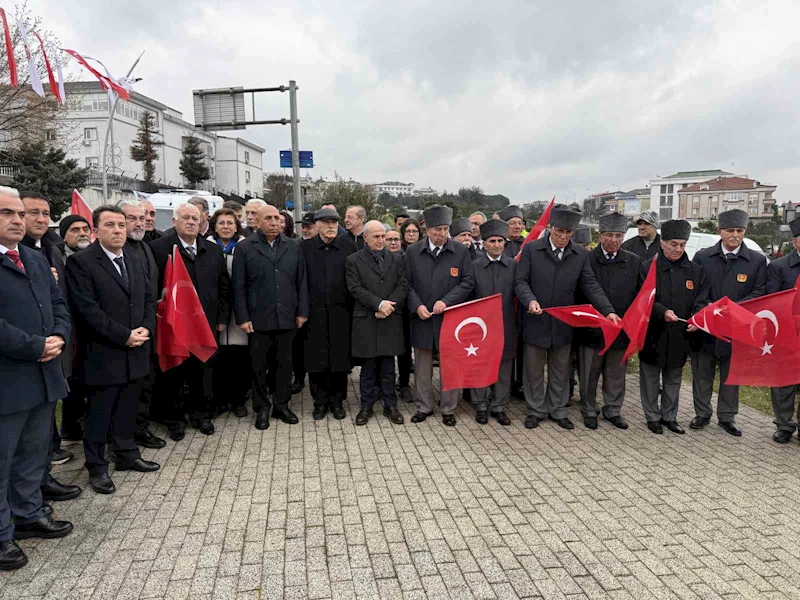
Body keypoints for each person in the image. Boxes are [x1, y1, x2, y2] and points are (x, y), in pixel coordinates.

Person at [0, 187, 74, 571]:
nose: (16, 220)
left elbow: (58, 302)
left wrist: (59, 336)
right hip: (9, 381)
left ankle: (28, 514)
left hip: (44, 376)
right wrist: (35, 346)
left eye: (18, 213)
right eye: (6, 213)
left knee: (33, 453)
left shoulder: (33, 257)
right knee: (3, 460)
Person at [66, 205, 160, 495]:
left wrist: (146, 328)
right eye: (110, 225)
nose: (118, 230)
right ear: (96, 231)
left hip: (135, 351)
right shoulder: (82, 263)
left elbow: (147, 298)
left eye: (121, 224)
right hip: (103, 354)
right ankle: (96, 467)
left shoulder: (133, 257)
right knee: (99, 414)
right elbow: (87, 310)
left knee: (128, 407)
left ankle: (127, 454)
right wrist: (124, 336)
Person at [514, 205, 619, 430]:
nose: (563, 237)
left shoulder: (580, 254)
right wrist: (530, 300)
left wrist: (608, 310)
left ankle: (558, 409)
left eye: (568, 233)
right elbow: (520, 281)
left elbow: (590, 284)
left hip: (563, 323)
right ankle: (536, 409)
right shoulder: (532, 249)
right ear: (551, 228)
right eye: (559, 231)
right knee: (533, 370)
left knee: (560, 370)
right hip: (536, 320)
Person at [150, 203, 231, 440]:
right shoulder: (158, 249)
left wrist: (222, 319)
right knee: (173, 373)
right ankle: (174, 420)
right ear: (174, 222)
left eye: (195, 218)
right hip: (173, 326)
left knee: (202, 372)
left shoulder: (212, 250)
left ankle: (200, 415)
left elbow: (224, 287)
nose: (191, 222)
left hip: (205, 325)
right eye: (185, 217)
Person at [232, 204, 309, 429]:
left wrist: (302, 311)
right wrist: (243, 317)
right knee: (258, 366)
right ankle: (262, 407)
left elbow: (301, 281)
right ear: (258, 220)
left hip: (287, 317)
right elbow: (239, 286)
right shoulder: (245, 247)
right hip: (258, 320)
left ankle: (282, 405)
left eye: (277, 218)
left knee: (284, 365)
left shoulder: (293, 247)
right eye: (269, 218)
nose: (274, 222)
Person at [691, 209, 766, 436]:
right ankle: (702, 413)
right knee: (702, 372)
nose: (735, 235)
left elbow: (760, 291)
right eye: (730, 230)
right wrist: (710, 310)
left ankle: (727, 416)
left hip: (736, 328)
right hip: (707, 326)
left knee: (731, 375)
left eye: (739, 231)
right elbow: (695, 287)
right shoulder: (703, 256)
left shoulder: (757, 260)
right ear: (719, 231)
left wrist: (732, 309)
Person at [405, 205, 475, 426]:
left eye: (445, 229)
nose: (441, 234)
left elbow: (467, 282)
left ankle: (448, 408)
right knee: (423, 366)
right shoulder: (413, 252)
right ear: (427, 230)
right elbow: (405, 284)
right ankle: (424, 406)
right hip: (423, 318)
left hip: (450, 318)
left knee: (449, 365)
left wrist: (447, 301)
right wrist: (417, 306)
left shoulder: (460, 252)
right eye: (437, 230)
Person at [638, 219, 709, 435]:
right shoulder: (647, 267)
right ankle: (652, 417)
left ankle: (670, 417)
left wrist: (696, 317)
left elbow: (701, 298)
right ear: (662, 243)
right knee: (650, 376)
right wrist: (662, 312)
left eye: (682, 245)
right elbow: (643, 299)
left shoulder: (695, 271)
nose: (678, 249)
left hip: (680, 333)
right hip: (653, 332)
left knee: (673, 377)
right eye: (673, 244)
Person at [577, 213, 642, 430]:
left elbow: (640, 295)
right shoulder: (586, 258)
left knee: (616, 373)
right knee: (589, 373)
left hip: (621, 328)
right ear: (600, 235)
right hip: (593, 329)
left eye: (618, 235)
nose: (613, 240)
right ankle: (588, 409)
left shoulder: (633, 261)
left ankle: (613, 409)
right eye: (608, 235)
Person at [346, 220, 407, 425]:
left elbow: (403, 285)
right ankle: (366, 406)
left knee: (389, 366)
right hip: (367, 319)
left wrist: (389, 306)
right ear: (365, 237)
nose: (382, 240)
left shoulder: (397, 260)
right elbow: (354, 288)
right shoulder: (353, 260)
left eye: (383, 236)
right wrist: (379, 304)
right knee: (369, 367)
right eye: (376, 236)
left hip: (390, 318)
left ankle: (391, 405)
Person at [300, 208, 357, 420]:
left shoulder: (348, 246)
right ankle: (319, 402)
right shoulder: (304, 248)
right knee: (316, 360)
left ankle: (337, 401)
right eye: (326, 222)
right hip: (314, 314)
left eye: (334, 222)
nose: (331, 226)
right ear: (317, 225)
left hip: (342, 312)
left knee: (340, 360)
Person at [117, 200, 165, 450]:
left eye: (144, 216)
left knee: (146, 382)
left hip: (147, 328)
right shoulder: (118, 249)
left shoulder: (144, 247)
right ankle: (123, 438)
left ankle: (140, 428)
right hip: (123, 334)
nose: (141, 222)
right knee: (126, 390)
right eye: (133, 218)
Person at [470, 219, 516, 425]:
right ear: (485, 243)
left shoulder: (514, 266)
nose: (497, 245)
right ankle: (480, 405)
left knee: (503, 368)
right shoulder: (474, 266)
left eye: (500, 241)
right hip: (480, 327)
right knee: (480, 366)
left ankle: (499, 406)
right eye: (492, 241)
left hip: (505, 324)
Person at [208, 208, 250, 417]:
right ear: (214, 226)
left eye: (230, 223)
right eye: (221, 223)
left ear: (236, 226)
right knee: (217, 358)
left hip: (239, 311)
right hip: (214, 312)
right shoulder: (206, 246)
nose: (226, 227)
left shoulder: (245, 246)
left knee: (239, 358)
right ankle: (219, 400)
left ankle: (238, 399)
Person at [765, 216, 800, 444]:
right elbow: (771, 302)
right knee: (784, 383)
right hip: (787, 334)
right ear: (795, 241)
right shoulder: (779, 267)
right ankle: (784, 425)